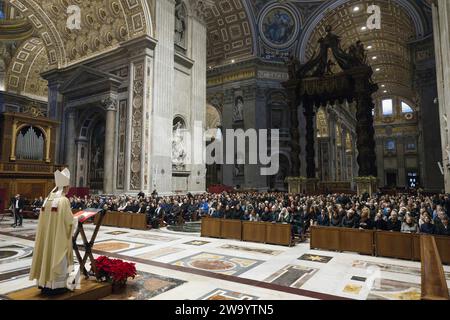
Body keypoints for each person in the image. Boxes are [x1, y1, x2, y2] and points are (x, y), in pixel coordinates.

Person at [29, 168, 80, 295]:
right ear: (66, 186)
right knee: (58, 257)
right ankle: (57, 286)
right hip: (58, 238)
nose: (69, 188)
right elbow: (69, 221)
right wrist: (77, 219)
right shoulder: (63, 200)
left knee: (46, 255)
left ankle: (44, 284)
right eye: (68, 186)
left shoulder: (47, 199)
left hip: (46, 237)